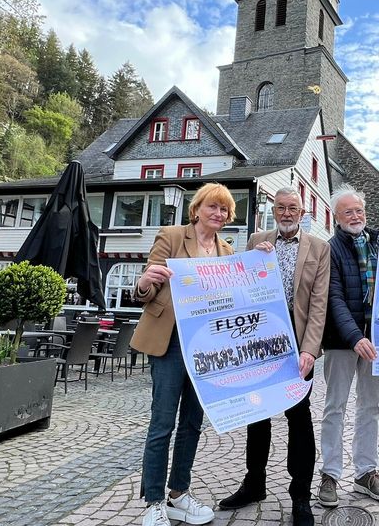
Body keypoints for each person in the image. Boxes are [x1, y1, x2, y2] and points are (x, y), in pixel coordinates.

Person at [218, 187, 330, 526]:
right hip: (260, 345)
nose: (286, 213)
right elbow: (238, 287)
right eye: (280, 207)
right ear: (273, 209)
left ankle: (300, 496)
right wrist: (252, 260)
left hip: (297, 349)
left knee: (299, 418)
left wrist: (310, 350)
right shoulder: (256, 240)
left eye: (292, 208)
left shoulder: (319, 248)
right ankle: (255, 483)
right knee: (257, 415)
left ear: (301, 211)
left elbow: (319, 304)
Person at [131, 183, 237, 526]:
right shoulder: (173, 236)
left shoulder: (227, 252)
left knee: (192, 423)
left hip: (206, 347)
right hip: (171, 341)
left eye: (224, 209)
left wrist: (262, 255)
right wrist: (146, 280)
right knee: (162, 421)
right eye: (212, 207)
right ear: (197, 209)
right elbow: (146, 291)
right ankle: (154, 501)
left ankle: (178, 493)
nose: (217, 214)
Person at [318, 184, 379, 508]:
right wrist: (354, 337)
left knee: (370, 408)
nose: (355, 216)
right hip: (341, 340)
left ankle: (366, 472)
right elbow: (333, 298)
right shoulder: (330, 249)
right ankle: (330, 474)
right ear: (337, 216)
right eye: (348, 211)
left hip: (376, 339)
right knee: (334, 407)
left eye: (359, 210)